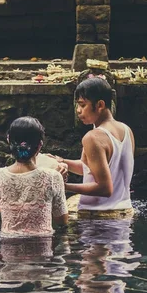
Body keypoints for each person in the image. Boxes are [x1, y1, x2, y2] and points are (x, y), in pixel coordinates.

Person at [0, 116, 68, 235]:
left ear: (9, 140)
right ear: (40, 145)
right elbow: (61, 221)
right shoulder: (53, 177)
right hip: (42, 248)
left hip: (8, 248)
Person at [54, 77, 135, 218]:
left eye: (83, 105)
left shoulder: (93, 137)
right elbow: (90, 168)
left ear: (100, 105)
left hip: (98, 215)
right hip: (125, 211)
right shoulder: (126, 130)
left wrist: (63, 187)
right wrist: (61, 161)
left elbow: (105, 188)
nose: (78, 111)